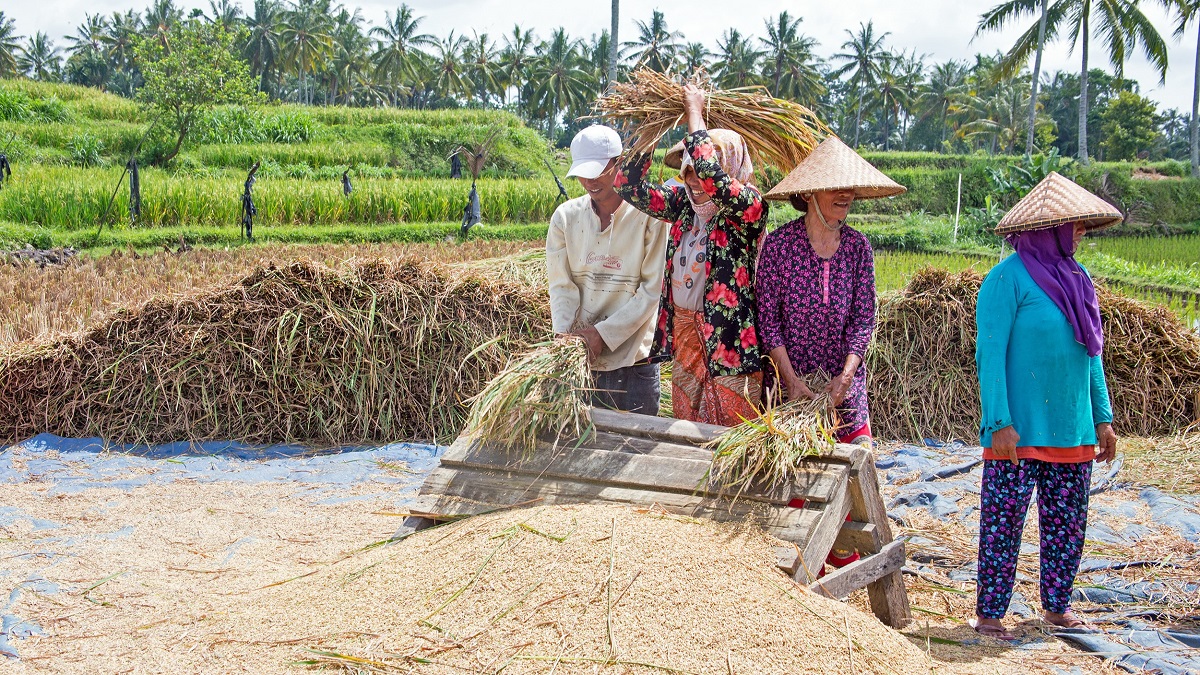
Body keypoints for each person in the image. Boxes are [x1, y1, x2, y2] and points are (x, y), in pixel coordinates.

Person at [972, 172, 1121, 641]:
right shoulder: (1006, 280)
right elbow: (989, 355)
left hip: (1072, 426)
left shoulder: (1078, 280)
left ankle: (1057, 607)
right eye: (1073, 226)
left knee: (1067, 524)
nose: (1080, 234)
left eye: (1081, 226)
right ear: (1046, 229)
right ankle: (991, 613)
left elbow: (1091, 352)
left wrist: (1102, 417)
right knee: (1003, 523)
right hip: (1018, 430)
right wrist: (999, 420)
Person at [614, 84, 768, 427]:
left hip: (729, 343)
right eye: (687, 172)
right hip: (684, 336)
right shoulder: (683, 206)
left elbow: (714, 179)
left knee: (728, 436)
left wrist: (694, 112)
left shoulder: (748, 210)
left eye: (699, 171)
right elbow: (627, 184)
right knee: (686, 432)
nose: (695, 181)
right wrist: (651, 130)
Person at [757, 136, 906, 445]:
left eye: (849, 187)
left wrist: (847, 377)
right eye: (835, 186)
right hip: (791, 387)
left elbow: (863, 319)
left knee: (855, 466)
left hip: (841, 385)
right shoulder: (779, 246)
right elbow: (767, 322)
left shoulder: (857, 247)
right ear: (810, 193)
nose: (845, 194)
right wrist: (791, 381)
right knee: (793, 479)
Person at [546, 125, 668, 415]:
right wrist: (564, 337)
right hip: (583, 360)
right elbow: (562, 287)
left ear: (619, 163)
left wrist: (603, 334)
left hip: (634, 364)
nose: (590, 181)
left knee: (633, 453)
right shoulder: (566, 217)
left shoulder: (650, 216)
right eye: (583, 173)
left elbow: (652, 291)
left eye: (599, 170)